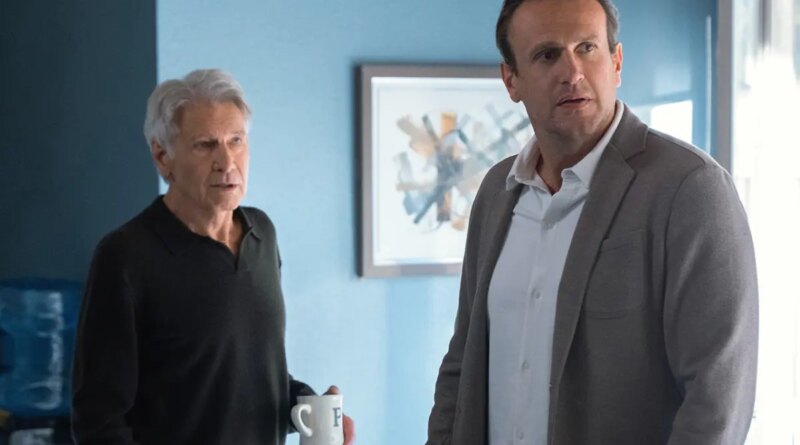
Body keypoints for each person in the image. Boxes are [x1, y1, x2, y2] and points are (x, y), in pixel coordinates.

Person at [426, 0, 758, 444]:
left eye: (587, 48)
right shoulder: (496, 192)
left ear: (616, 62)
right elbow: (462, 363)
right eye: (547, 55)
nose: (572, 72)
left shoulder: (690, 188)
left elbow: (717, 400)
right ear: (511, 80)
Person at [71, 69, 355, 445]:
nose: (227, 161)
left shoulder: (262, 233)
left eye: (236, 140)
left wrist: (310, 409)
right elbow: (98, 423)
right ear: (162, 156)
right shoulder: (124, 256)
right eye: (205, 145)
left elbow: (253, 379)